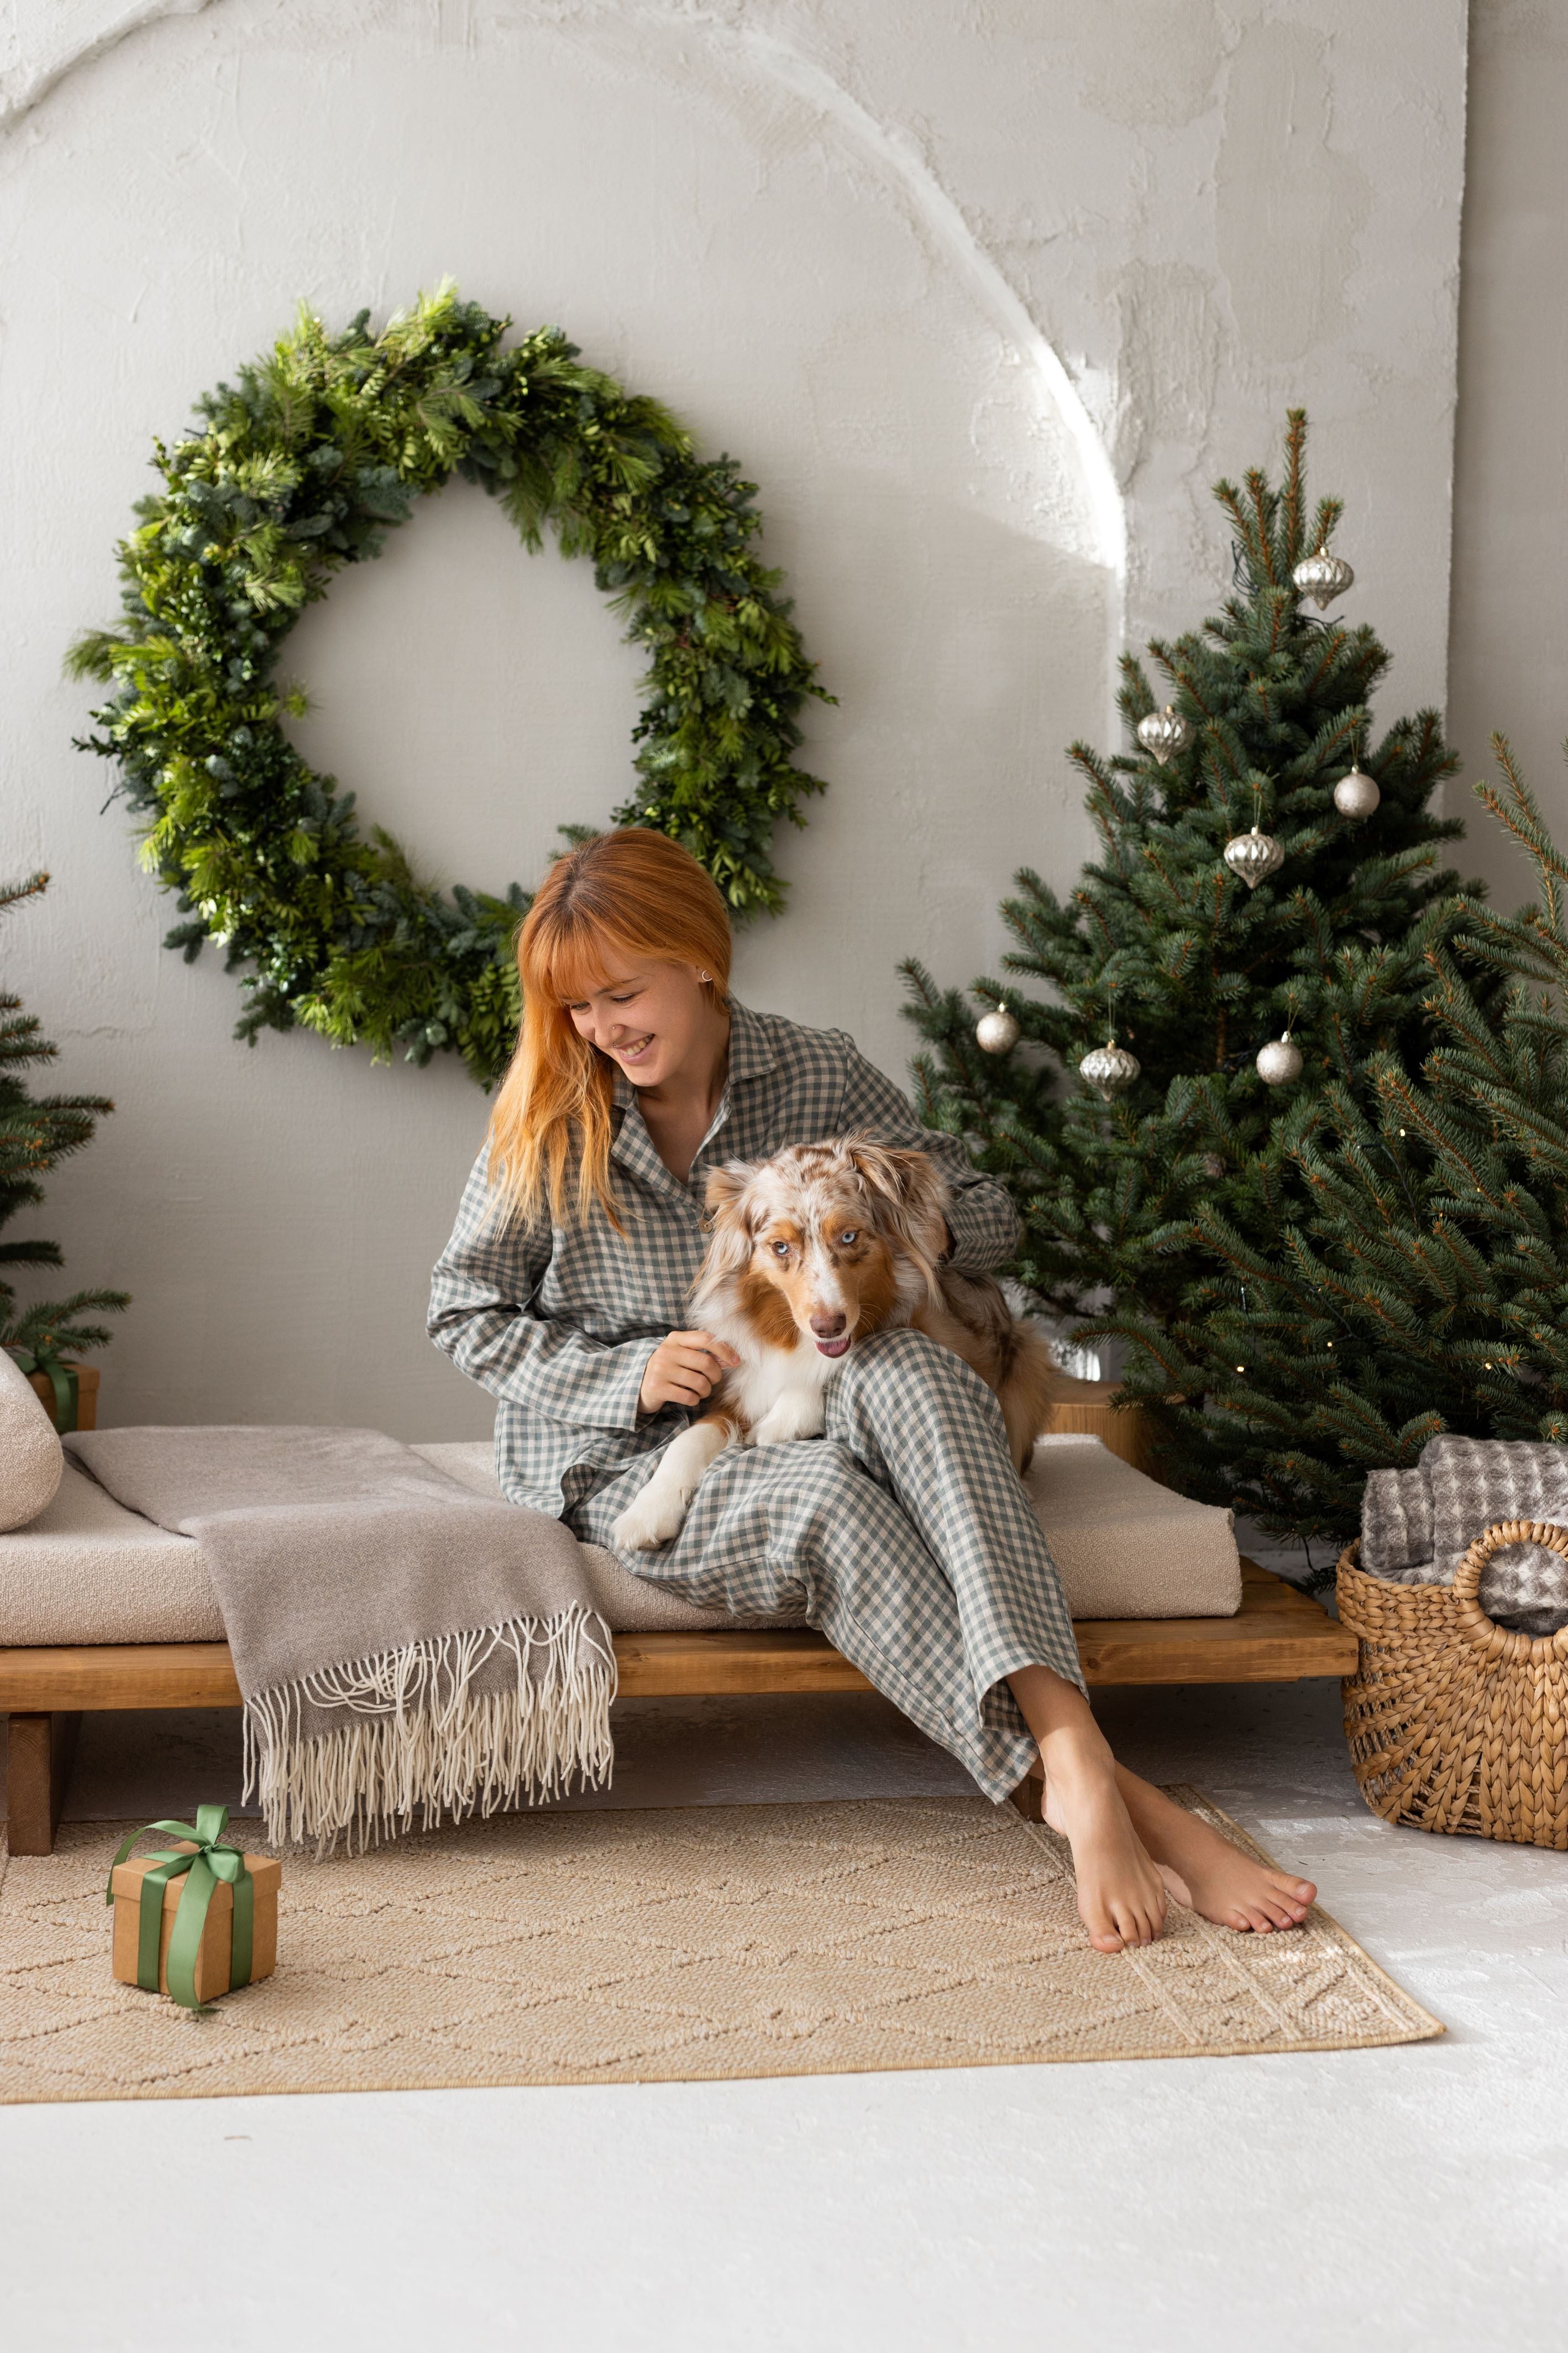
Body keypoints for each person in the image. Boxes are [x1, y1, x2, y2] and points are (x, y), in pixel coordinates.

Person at [429, 829, 1317, 1952]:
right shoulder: (550, 1120)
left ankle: (1073, 1746)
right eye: (575, 1008)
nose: (601, 1027)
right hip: (637, 1450)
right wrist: (626, 1373)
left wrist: (914, 1224)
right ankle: (1116, 1800)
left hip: (815, 1381)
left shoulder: (817, 1070)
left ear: (700, 957)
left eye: (618, 992)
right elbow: (462, 1312)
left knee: (928, 1380)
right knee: (827, 1506)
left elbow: (989, 1211)